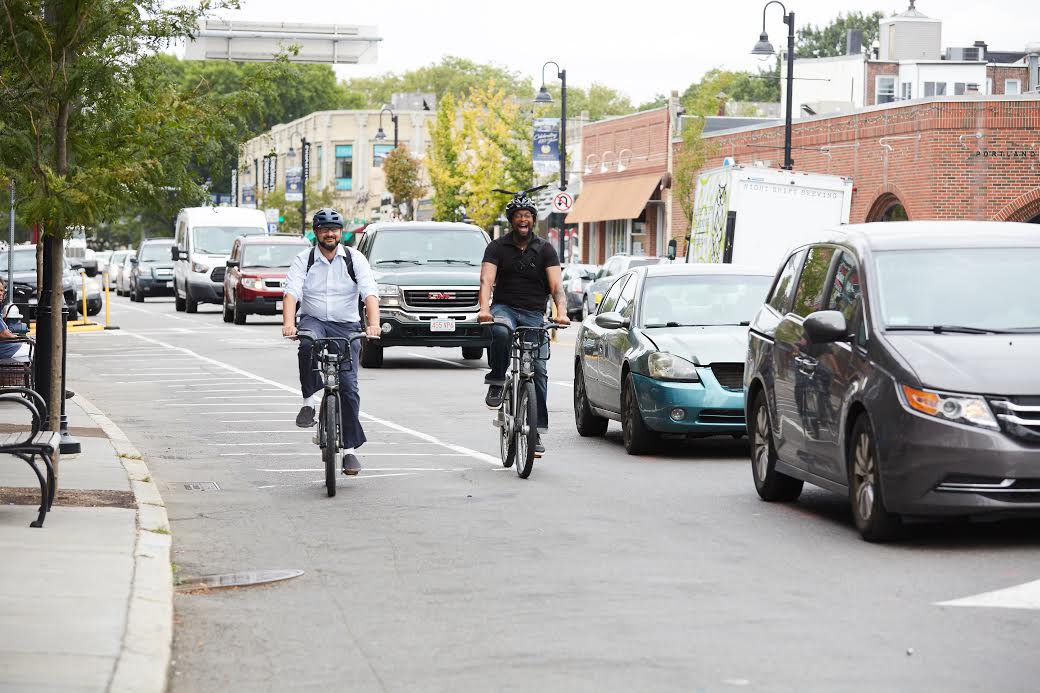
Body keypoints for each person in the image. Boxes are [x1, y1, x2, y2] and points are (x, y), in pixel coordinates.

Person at [282, 208, 381, 476]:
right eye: (324, 229)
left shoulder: (354, 258)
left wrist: (373, 324)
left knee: (348, 388)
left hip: (346, 324)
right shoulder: (305, 259)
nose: (329, 233)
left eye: (334, 229)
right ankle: (308, 401)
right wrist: (289, 323)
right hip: (314, 319)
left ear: (340, 232)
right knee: (306, 344)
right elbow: (291, 292)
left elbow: (369, 292)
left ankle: (349, 451)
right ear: (316, 232)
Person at [478, 190, 570, 455]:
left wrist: (561, 311)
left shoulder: (545, 249)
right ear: (511, 220)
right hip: (505, 307)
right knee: (500, 329)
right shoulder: (497, 247)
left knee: (538, 372)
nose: (523, 220)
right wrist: (485, 309)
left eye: (527, 216)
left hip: (533, 313)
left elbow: (556, 286)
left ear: (533, 219)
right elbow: (486, 280)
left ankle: (536, 431)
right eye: (518, 216)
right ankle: (497, 380)